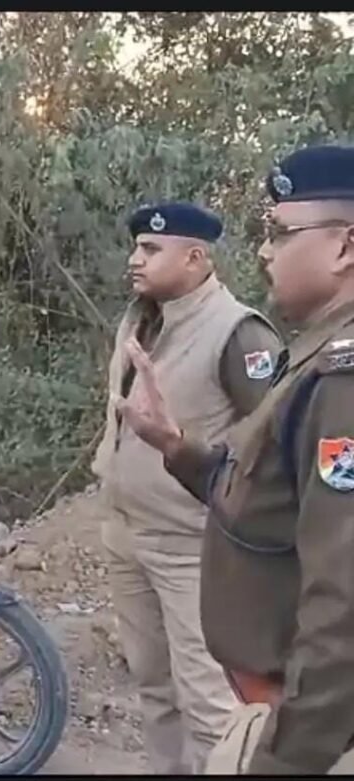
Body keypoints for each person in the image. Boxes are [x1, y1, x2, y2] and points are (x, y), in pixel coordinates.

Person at [116, 145, 354, 774]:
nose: (264, 252)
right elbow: (264, 481)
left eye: (280, 232)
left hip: (304, 732)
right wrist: (176, 445)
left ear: (344, 246)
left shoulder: (342, 381)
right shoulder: (317, 352)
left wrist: (286, 759)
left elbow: (344, 604)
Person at [91, 202, 283, 773]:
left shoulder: (239, 333)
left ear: (196, 258)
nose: (135, 259)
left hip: (193, 547)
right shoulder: (140, 319)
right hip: (127, 533)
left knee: (210, 704)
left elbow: (275, 444)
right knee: (155, 689)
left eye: (151, 249)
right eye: (136, 247)